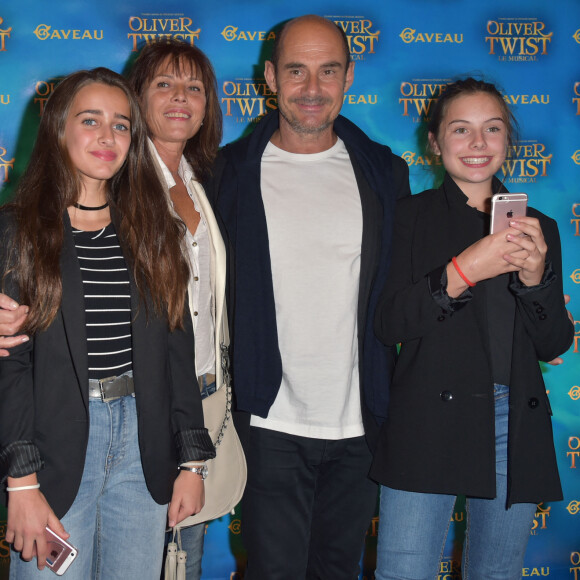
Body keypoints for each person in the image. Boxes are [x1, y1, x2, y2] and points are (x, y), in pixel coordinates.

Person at [208, 14, 410, 579]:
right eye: (296, 70)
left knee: (339, 571)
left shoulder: (385, 173)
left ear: (349, 77)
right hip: (269, 416)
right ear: (270, 77)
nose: (312, 89)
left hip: (360, 421)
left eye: (328, 71)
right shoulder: (226, 173)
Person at [0, 67, 215, 579]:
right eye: (90, 120)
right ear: (59, 129)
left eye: (121, 124)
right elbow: (9, 366)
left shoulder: (155, 228)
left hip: (145, 445)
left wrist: (191, 463)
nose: (107, 136)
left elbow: (175, 352)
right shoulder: (18, 230)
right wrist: (22, 484)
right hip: (55, 446)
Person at [370, 78, 574, 580]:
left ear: (508, 140)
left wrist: (533, 281)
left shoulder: (539, 227)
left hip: (513, 421)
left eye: (492, 129)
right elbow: (388, 322)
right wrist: (462, 272)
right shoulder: (404, 219)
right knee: (403, 571)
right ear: (435, 143)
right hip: (425, 417)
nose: (478, 144)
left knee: (497, 573)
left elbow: (554, 343)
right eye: (461, 130)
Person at [128, 39, 235, 580]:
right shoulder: (115, 179)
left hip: (203, 399)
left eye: (195, 87)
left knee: (183, 556)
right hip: (138, 407)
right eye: (164, 84)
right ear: (137, 97)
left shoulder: (202, 182)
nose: (180, 98)